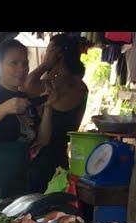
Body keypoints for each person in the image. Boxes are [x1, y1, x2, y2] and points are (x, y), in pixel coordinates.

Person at [0, 40, 51, 198]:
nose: (21, 69)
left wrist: (49, 107)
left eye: (25, 64)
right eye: (14, 63)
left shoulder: (25, 99)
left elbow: (43, 140)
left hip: (21, 176)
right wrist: (4, 109)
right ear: (0, 65)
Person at [24, 34, 89, 192]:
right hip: (60, 157)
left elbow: (25, 87)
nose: (45, 55)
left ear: (56, 53)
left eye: (48, 51)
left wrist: (45, 65)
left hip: (40, 157)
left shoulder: (51, 83)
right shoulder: (81, 87)